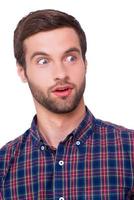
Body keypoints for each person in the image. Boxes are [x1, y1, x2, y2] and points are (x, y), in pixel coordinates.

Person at [0, 9, 134, 200]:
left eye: (70, 58)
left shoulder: (130, 150)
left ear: (85, 63)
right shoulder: (4, 165)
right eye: (43, 61)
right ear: (22, 71)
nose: (61, 73)